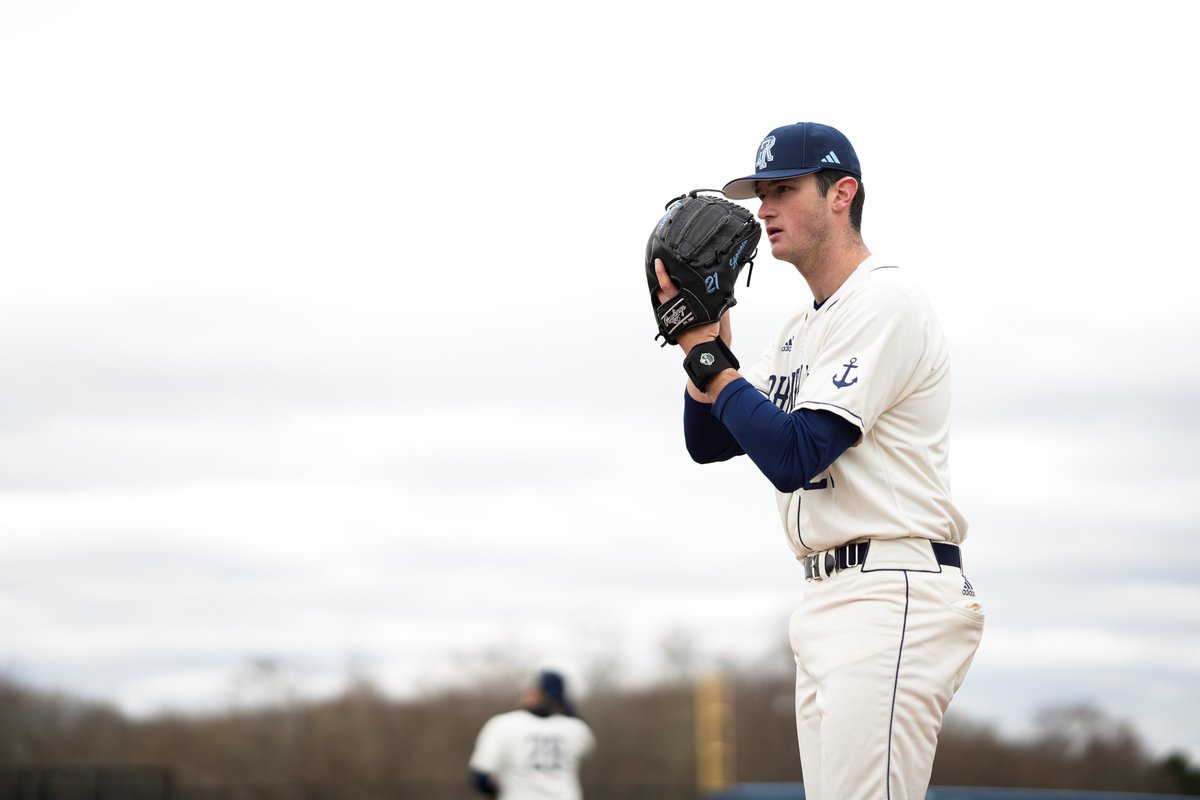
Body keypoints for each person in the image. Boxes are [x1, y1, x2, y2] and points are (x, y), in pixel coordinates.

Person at [653, 122, 985, 800]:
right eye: (760, 193)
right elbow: (709, 441)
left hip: (891, 588)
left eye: (783, 189)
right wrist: (705, 341)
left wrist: (710, 359)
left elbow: (795, 456)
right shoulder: (802, 327)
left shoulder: (883, 302)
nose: (763, 208)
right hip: (830, 598)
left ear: (842, 194)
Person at [468, 669, 596, 800]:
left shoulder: (502, 724)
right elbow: (588, 744)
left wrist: (496, 791)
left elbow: (481, 777)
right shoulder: (576, 729)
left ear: (535, 693)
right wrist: (563, 702)